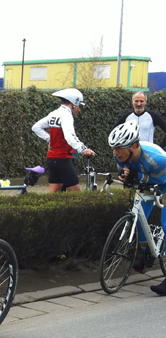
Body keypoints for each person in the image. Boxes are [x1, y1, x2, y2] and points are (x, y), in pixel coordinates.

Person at [108, 121, 166, 294]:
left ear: (134, 146)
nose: (115, 152)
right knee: (138, 218)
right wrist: (125, 176)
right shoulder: (119, 155)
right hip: (147, 184)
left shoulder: (157, 159)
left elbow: (161, 180)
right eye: (113, 148)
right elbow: (126, 172)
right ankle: (145, 253)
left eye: (119, 148)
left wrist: (138, 175)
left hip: (164, 182)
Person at [32, 88, 95, 192]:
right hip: (63, 159)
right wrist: (83, 149)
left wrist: (50, 140)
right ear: (73, 103)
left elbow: (36, 127)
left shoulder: (54, 113)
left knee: (54, 193)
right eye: (79, 106)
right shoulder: (67, 115)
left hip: (52, 159)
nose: (79, 110)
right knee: (76, 194)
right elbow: (69, 136)